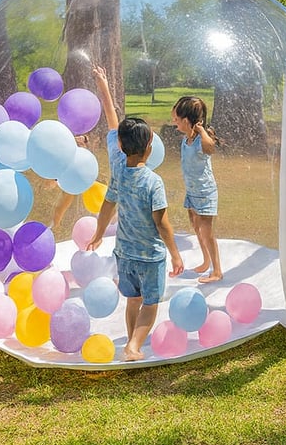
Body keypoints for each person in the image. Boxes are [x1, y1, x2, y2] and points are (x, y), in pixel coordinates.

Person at [87, 66, 183, 360]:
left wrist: (98, 233)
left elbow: (107, 205)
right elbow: (162, 224)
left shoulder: (118, 168)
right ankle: (133, 346)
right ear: (150, 146)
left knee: (132, 300)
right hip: (150, 257)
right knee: (150, 303)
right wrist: (175, 254)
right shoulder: (154, 182)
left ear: (119, 144)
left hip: (124, 254)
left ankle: (132, 343)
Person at [171, 95, 223, 283]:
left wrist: (201, 131)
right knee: (196, 227)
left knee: (206, 232)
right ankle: (206, 261)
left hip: (205, 194)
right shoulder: (186, 140)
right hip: (192, 193)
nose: (174, 122)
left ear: (187, 121)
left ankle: (217, 271)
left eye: (176, 119)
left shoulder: (202, 140)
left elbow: (211, 149)